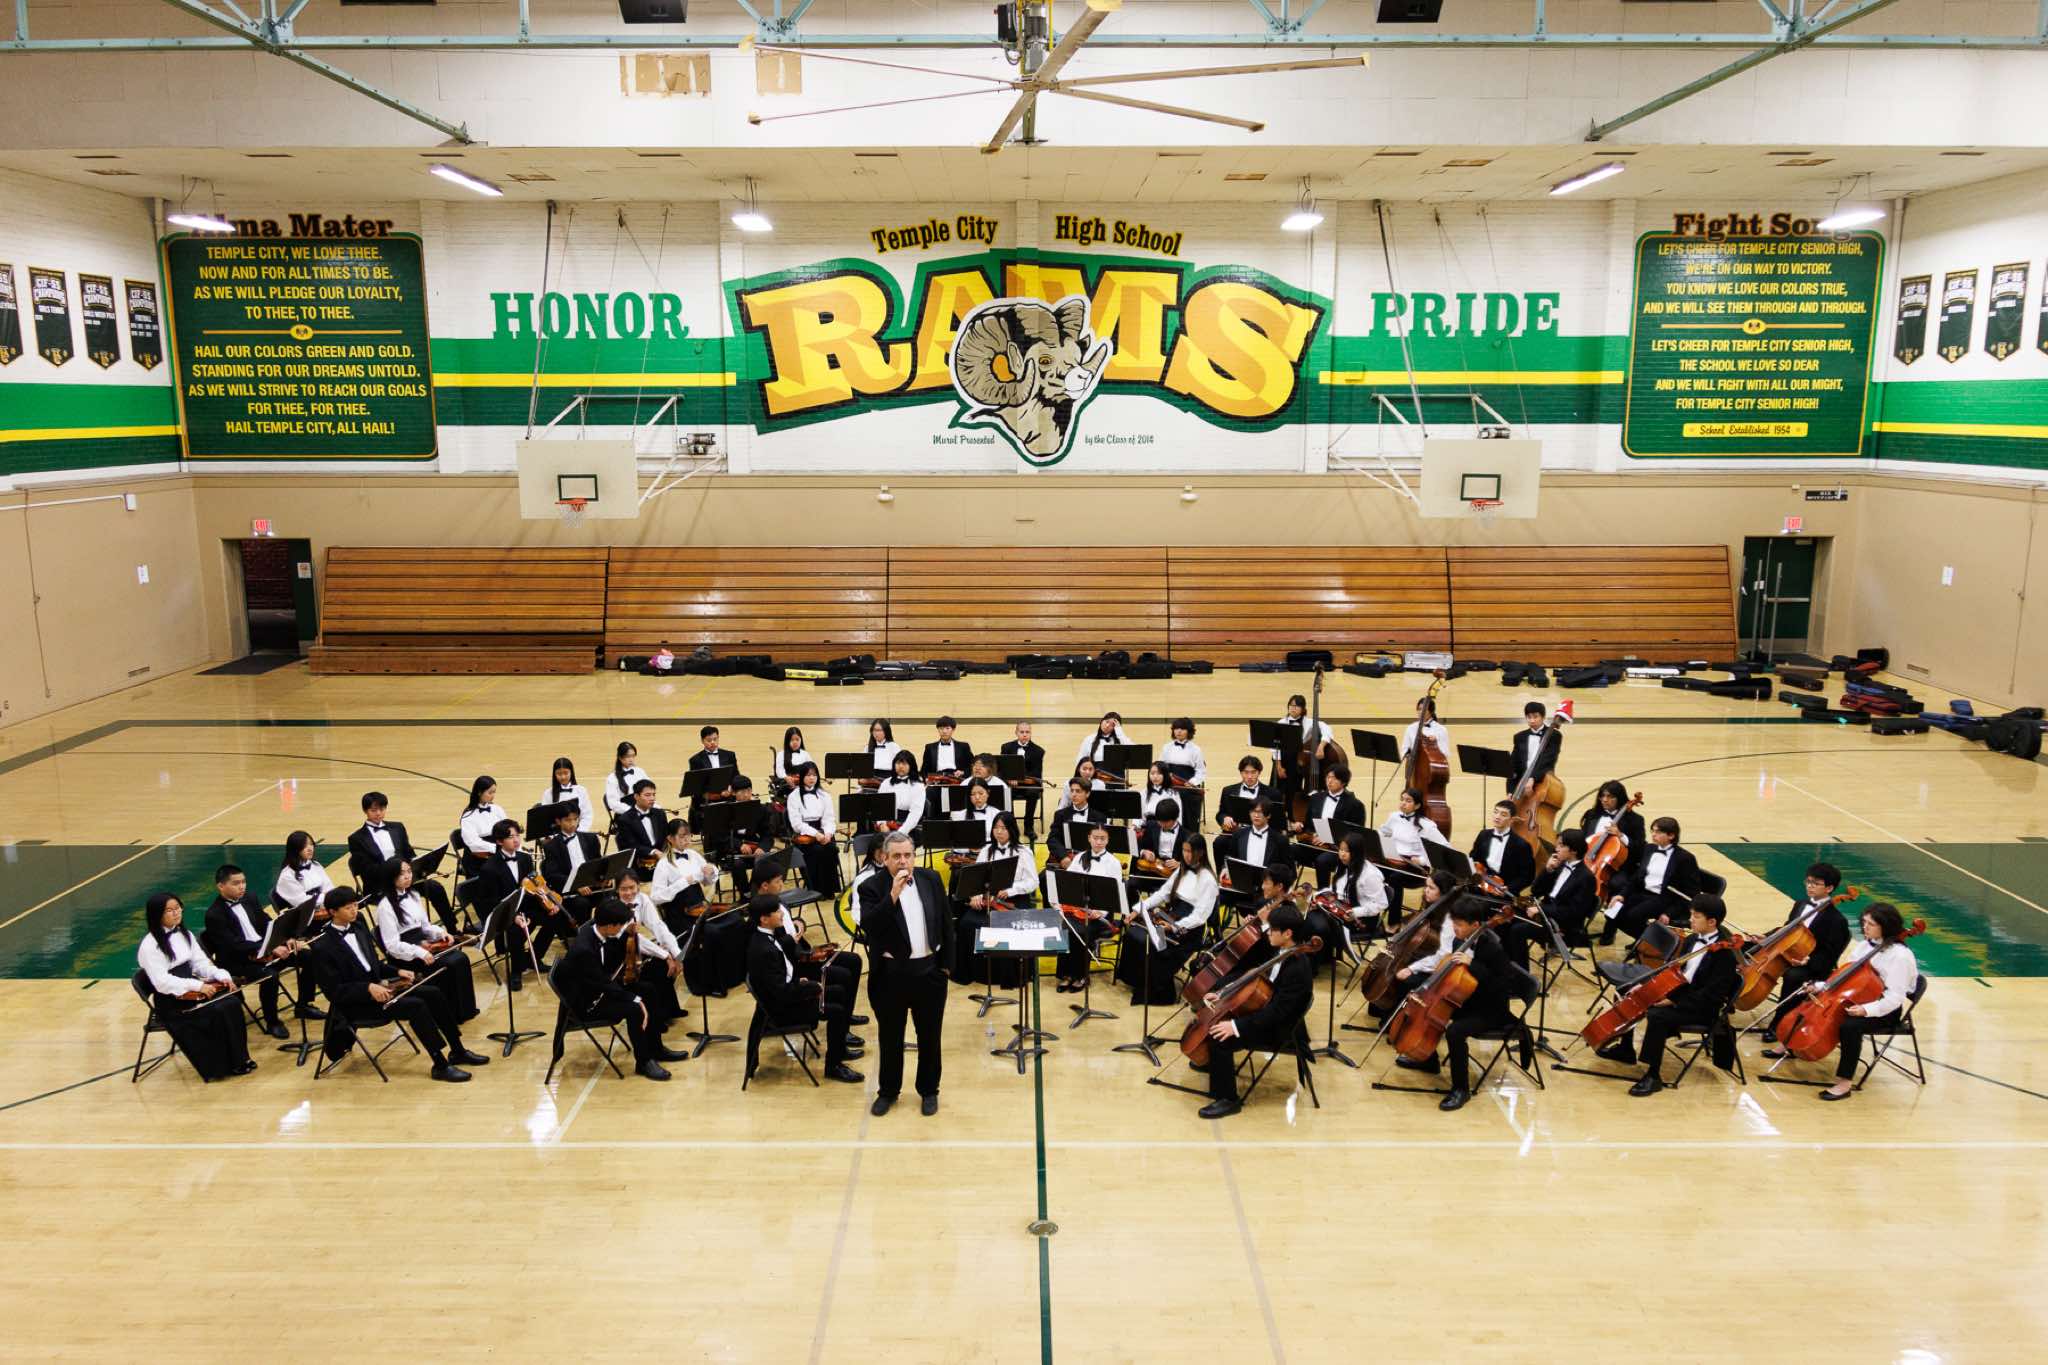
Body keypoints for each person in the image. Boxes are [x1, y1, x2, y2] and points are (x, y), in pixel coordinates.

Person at [308, 887, 488, 1083]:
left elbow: (373, 965)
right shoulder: (322, 947)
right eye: (348, 907)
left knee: (433, 993)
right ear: (333, 912)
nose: (354, 910)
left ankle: (458, 1050)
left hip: (380, 991)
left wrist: (397, 971)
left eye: (355, 905)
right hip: (356, 1004)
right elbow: (334, 992)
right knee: (416, 1006)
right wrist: (367, 988)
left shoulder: (358, 927)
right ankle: (440, 1065)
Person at [1393, 896, 1524, 1112]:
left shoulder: (1493, 949)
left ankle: (1461, 1089)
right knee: (1433, 1011)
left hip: (1491, 1010)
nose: (1454, 928)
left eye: (1459, 924)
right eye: (1453, 922)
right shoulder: (1459, 941)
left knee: (1455, 1032)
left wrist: (1473, 965)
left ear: (1475, 925)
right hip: (1468, 999)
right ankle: (1429, 1059)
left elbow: (1502, 986)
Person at [1782, 903, 1921, 1100]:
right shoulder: (1866, 945)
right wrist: (1820, 986)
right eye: (1864, 922)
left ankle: (1844, 1082)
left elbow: (1895, 998)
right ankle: (1790, 1043)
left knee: (1850, 1026)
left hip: (1884, 1008)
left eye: (1871, 924)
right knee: (1809, 998)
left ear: (1886, 926)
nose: (1865, 927)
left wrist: (1866, 1010)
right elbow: (1844, 977)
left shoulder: (1901, 957)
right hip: (1857, 997)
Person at [858, 831, 953, 1117]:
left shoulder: (930, 879)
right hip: (892, 976)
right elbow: (870, 925)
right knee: (891, 1037)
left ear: (914, 856)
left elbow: (946, 923)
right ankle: (888, 1091)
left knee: (930, 1037)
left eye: (908, 855)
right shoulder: (871, 887)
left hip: (930, 973)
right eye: (896, 856)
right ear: (884, 858)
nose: (903, 861)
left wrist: (946, 966)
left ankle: (929, 1090)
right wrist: (893, 895)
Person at [1608, 895, 1741, 1095]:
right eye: (1691, 915)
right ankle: (1626, 1048)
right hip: (1682, 993)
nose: (1690, 920)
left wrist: (1673, 1001)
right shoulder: (1692, 939)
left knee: (1657, 1015)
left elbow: (1711, 996)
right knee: (1626, 989)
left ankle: (1653, 1076)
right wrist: (1647, 987)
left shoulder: (1726, 954)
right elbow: (1674, 973)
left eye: (1696, 916)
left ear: (1712, 922)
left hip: (1701, 1008)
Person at [1196, 901, 1315, 1120]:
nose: (1268, 932)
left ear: (1288, 933)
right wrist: (1223, 993)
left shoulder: (1298, 968)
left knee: (1219, 1036)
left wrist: (1235, 1026)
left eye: (1273, 929)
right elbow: (1254, 977)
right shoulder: (1282, 952)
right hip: (1266, 1013)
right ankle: (1216, 1066)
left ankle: (1228, 1099)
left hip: (1280, 1029)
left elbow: (1277, 1014)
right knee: (1219, 1024)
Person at [553, 900, 686, 1081]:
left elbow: (606, 971)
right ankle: (644, 1062)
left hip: (598, 987)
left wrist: (630, 936)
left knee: (649, 990)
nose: (622, 928)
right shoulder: (583, 950)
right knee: (634, 1009)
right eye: (621, 925)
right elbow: (602, 984)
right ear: (609, 926)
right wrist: (635, 1000)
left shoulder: (596, 928)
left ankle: (656, 1048)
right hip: (587, 1003)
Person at [746, 892, 864, 1084]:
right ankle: (833, 1066)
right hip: (783, 1010)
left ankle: (840, 1049)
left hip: (788, 994)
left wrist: (799, 981)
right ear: (764, 919)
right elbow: (781, 993)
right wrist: (810, 987)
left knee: (839, 992)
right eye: (777, 911)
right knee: (836, 1010)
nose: (782, 914)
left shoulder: (767, 937)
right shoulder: (762, 950)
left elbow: (781, 977)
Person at [137, 892, 254, 1079]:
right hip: (172, 1001)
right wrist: (197, 986)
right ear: (157, 914)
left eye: (178, 908)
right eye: (169, 910)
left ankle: (240, 1058)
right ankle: (221, 1065)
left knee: (232, 1001)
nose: (176, 913)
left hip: (192, 992)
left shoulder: (186, 934)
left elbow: (200, 964)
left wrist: (220, 975)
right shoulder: (150, 946)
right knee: (219, 1009)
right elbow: (162, 982)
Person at [204, 862, 309, 1039]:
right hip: (239, 961)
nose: (242, 886)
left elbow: (266, 921)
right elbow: (233, 946)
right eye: (236, 883)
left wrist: (285, 938)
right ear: (221, 886)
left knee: (307, 956)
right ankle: (272, 1021)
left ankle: (303, 1005)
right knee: (269, 976)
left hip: (263, 949)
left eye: (243, 882)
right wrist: (269, 948)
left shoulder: (250, 898)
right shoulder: (214, 914)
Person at [371, 859, 479, 1025]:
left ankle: (465, 1010)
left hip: (423, 942)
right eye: (401, 874)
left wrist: (442, 933)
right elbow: (392, 946)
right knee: (450, 963)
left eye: (409, 871)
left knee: (460, 958)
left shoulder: (413, 895)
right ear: (391, 877)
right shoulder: (385, 907)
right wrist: (419, 952)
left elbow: (425, 926)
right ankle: (449, 1013)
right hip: (406, 953)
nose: (407, 876)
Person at [1119, 832, 1216, 1004]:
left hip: (1188, 929)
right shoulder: (1181, 870)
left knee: (1150, 941)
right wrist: (1138, 909)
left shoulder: (1208, 880)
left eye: (1190, 851)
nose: (1186, 855)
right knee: (1134, 933)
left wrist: (1173, 926)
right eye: (1184, 850)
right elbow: (1162, 894)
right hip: (1172, 915)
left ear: (1200, 852)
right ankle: (1137, 980)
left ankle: (1157, 990)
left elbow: (1200, 916)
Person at [1762, 863, 1855, 1042]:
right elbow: (1787, 929)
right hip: (1789, 953)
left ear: (1829, 888)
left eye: (1816, 883)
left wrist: (1808, 961)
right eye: (1808, 881)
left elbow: (1830, 955)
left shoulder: (1837, 920)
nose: (1810, 886)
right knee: (1749, 950)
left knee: (1793, 976)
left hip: (1813, 965)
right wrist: (1765, 937)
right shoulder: (1800, 904)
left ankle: (1779, 1025)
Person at [346, 791, 454, 929]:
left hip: (406, 878)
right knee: (402, 900)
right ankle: (410, 935)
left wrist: (424, 868)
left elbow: (409, 854)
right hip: (381, 884)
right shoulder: (356, 838)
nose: (378, 813)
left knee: (435, 887)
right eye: (373, 810)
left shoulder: (397, 827)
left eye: (382, 809)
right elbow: (367, 870)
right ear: (365, 811)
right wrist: (395, 871)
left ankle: (453, 929)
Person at [957, 811, 1036, 984]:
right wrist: (976, 895)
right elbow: (976, 878)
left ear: (1011, 830)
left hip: (1014, 899)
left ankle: (1010, 976)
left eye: (1003, 828)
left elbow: (1033, 882)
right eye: (996, 828)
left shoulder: (1024, 852)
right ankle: (977, 973)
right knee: (967, 923)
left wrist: (1011, 890)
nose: (999, 832)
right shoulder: (986, 850)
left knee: (1006, 926)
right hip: (990, 899)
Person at [1600, 815, 1702, 944]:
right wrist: (1622, 895)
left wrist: (1669, 913)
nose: (1653, 835)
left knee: (1632, 917)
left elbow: (1690, 893)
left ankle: (1654, 943)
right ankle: (1646, 942)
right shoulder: (1649, 849)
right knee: (1611, 913)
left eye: (1658, 832)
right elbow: (1636, 878)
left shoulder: (1685, 858)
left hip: (1663, 898)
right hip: (1642, 893)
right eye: (1652, 831)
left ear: (1671, 835)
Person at [473, 818, 548, 990]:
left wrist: (545, 901)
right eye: (510, 837)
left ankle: (534, 958)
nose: (516, 840)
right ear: (499, 841)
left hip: (525, 906)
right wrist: (513, 917)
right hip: (505, 912)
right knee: (515, 930)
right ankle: (516, 971)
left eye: (517, 835)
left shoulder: (525, 859)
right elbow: (489, 902)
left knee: (554, 918)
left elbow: (532, 884)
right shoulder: (489, 868)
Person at [1050, 821, 1124, 993]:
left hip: (1099, 914)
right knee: (1066, 927)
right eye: (1095, 838)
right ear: (1089, 838)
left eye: (1102, 838)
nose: (1098, 842)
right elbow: (1067, 883)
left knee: (1081, 931)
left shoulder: (1113, 863)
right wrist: (1060, 903)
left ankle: (1081, 975)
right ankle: (1066, 974)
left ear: (1108, 840)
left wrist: (1101, 912)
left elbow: (1114, 894)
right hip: (1077, 909)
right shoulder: (1080, 857)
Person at [613, 869, 686, 1036]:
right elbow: (636, 939)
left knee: (662, 964)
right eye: (623, 889)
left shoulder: (643, 899)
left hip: (636, 949)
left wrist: (676, 953)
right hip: (622, 956)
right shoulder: (614, 908)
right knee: (654, 971)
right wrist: (665, 955)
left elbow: (658, 926)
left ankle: (670, 1010)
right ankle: (657, 1020)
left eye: (632, 887)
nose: (629, 893)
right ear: (617, 889)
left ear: (638, 886)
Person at [1313, 831, 1389, 960]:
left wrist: (1355, 912)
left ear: (1357, 853)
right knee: (1312, 917)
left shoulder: (1371, 875)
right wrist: (1318, 897)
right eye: (1341, 849)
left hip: (1362, 919)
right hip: (1341, 909)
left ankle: (1320, 958)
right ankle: (1321, 957)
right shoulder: (1343, 866)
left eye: (1347, 851)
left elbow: (1381, 904)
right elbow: (1334, 890)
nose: (1342, 854)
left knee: (1319, 926)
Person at [1296, 764, 1368, 887]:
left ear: (1343, 782)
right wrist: (1300, 827)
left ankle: (1323, 894)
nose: (1329, 781)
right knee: (1290, 850)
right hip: (1314, 844)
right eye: (1328, 777)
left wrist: (1328, 838)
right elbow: (1308, 825)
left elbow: (1355, 835)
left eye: (1334, 778)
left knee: (1322, 861)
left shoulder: (1355, 805)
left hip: (1337, 849)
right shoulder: (1316, 798)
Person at [1377, 786, 1448, 907]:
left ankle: (1394, 917)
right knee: (1373, 870)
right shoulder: (1394, 817)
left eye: (1408, 801)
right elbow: (1383, 833)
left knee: (1395, 878)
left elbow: (1445, 848)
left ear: (1417, 805)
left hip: (1415, 868)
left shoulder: (1427, 825)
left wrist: (1422, 860)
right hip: (1394, 862)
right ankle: (1373, 911)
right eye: (1402, 799)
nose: (1403, 803)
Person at [540, 801, 608, 924]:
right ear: (558, 821)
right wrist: (576, 885)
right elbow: (552, 875)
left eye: (575, 819)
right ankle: (582, 933)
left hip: (592, 885)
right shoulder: (552, 846)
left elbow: (598, 862)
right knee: (582, 904)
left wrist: (604, 877)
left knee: (610, 897)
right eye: (568, 820)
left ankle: (606, 929)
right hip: (570, 890)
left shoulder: (591, 839)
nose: (573, 824)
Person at [650, 817, 720, 929]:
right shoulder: (664, 864)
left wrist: (711, 871)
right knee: (714, 930)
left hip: (699, 908)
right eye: (682, 836)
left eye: (689, 835)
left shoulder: (692, 854)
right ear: (670, 838)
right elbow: (655, 898)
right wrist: (684, 882)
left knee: (733, 919)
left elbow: (707, 882)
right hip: (679, 913)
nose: (687, 839)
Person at [785, 762, 842, 896]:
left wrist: (828, 833)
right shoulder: (793, 796)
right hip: (805, 835)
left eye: (814, 775)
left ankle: (829, 889)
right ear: (802, 777)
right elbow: (797, 824)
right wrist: (816, 834)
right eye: (808, 775)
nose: (812, 778)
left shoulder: (824, 795)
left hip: (823, 832)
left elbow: (829, 818)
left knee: (831, 848)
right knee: (817, 851)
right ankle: (816, 890)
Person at [1469, 799, 1537, 897]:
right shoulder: (1483, 835)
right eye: (1495, 812)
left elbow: (1527, 876)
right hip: (1481, 884)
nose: (1497, 817)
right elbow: (1473, 857)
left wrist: (1509, 888)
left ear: (1512, 819)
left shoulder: (1522, 845)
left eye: (1503, 815)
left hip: (1503, 892)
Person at [1218, 799, 1284, 886]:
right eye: (1253, 811)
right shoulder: (1239, 834)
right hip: (1241, 884)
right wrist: (1225, 868)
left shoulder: (1280, 840)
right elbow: (1230, 857)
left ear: (1268, 815)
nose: (1256, 815)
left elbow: (1290, 870)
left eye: (1260, 812)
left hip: (1267, 888)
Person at [1045, 778, 1106, 870]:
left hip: (1089, 861)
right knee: (1043, 877)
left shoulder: (1099, 817)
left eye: (1078, 791)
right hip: (1066, 858)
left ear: (1087, 794)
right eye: (1072, 791)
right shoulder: (1060, 814)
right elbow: (1053, 839)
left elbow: (1101, 842)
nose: (1073, 794)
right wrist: (1063, 857)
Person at [684, 726, 739, 827]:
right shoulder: (695, 760)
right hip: (708, 801)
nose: (713, 742)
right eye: (709, 740)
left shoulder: (729, 755)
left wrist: (730, 789)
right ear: (702, 741)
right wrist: (708, 794)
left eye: (715, 739)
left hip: (728, 798)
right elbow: (695, 785)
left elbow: (736, 777)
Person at [274, 830, 336, 919]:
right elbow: (302, 902)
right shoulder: (287, 876)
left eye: (311, 844)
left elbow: (328, 887)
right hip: (304, 917)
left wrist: (331, 899)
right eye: (304, 846)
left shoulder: (315, 865)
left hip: (323, 908)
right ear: (295, 849)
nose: (310, 848)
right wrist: (326, 898)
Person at [1159, 717, 1207, 828]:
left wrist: (1192, 782)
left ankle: (1188, 830)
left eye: (1182, 729)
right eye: (1176, 728)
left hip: (1187, 784)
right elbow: (1160, 766)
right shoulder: (1166, 747)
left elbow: (1201, 771)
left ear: (1189, 731)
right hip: (1170, 782)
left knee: (1187, 797)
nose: (1179, 731)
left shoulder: (1196, 749)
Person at [1510, 702, 1563, 802]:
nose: (1532, 720)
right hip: (1521, 785)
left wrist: (1533, 778)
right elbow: (1513, 765)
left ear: (1543, 717)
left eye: (1535, 717)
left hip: (1542, 781)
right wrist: (1510, 790)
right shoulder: (1519, 737)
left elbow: (1548, 761)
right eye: (1529, 717)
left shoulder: (1554, 735)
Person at [1001, 721, 1046, 834]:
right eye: (1022, 732)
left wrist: (1018, 780)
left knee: (1033, 793)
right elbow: (1002, 768)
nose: (1025, 734)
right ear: (1016, 733)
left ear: (1031, 733)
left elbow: (1036, 773)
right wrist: (1010, 779)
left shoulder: (1038, 751)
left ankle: (1028, 826)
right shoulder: (1006, 747)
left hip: (1028, 784)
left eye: (1027, 732)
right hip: (1011, 783)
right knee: (1005, 792)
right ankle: (1011, 825)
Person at [614, 779, 668, 873]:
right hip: (639, 865)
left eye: (653, 794)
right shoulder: (625, 819)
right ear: (636, 796)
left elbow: (666, 837)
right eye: (647, 795)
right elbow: (631, 846)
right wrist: (654, 852)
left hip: (661, 862)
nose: (652, 798)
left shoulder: (660, 814)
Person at [458, 776, 510, 867]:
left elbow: (508, 830)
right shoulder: (468, 816)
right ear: (479, 792)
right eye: (490, 793)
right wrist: (497, 848)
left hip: (498, 851)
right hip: (478, 857)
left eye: (494, 792)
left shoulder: (497, 809)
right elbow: (473, 843)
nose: (493, 796)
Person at [1216, 756, 1275, 835]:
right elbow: (1221, 814)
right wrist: (1225, 818)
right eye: (1246, 772)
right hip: (1234, 833)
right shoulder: (1228, 791)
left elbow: (1276, 820)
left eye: (1253, 772)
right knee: (1219, 841)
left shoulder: (1272, 793)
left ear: (1259, 772)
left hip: (1261, 834)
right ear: (1241, 773)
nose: (1249, 776)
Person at [875, 749, 926, 836]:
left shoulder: (918, 786)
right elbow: (879, 807)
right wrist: (882, 824)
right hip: (888, 824)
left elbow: (915, 814)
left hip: (909, 827)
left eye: (904, 764)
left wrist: (901, 832)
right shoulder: (886, 783)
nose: (901, 766)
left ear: (911, 766)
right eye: (898, 763)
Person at [541, 756, 598, 832]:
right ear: (554, 774)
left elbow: (587, 815)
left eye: (566, 773)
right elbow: (545, 819)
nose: (563, 777)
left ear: (571, 772)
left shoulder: (581, 790)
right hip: (556, 834)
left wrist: (579, 833)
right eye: (559, 774)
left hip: (578, 831)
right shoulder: (548, 793)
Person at [1132, 798, 1184, 877]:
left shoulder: (1186, 835)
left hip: (1173, 873)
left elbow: (1195, 863)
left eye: (1166, 822)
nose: (1162, 825)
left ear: (1175, 819)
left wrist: (1180, 864)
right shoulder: (1151, 826)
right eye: (1160, 821)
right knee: (1132, 882)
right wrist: (1144, 852)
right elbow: (1137, 847)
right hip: (1151, 868)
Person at [1401, 695, 1452, 771]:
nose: (1420, 712)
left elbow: (1445, 753)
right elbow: (1404, 750)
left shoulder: (1441, 730)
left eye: (1424, 709)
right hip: (1415, 769)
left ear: (1431, 711)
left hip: (1434, 770)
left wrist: (1435, 746)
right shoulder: (1410, 728)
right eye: (1419, 709)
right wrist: (1410, 756)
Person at [604, 742, 653, 817]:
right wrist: (633, 811)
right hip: (626, 814)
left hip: (644, 810)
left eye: (633, 756)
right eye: (628, 756)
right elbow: (613, 803)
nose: (631, 759)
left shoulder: (640, 771)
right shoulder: (612, 778)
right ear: (620, 757)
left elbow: (649, 792)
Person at [922, 716, 974, 783]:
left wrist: (963, 772)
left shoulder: (963, 746)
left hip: (957, 779)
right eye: (941, 728)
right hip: (936, 780)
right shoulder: (930, 747)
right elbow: (924, 769)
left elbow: (972, 765)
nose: (944, 731)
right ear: (938, 729)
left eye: (947, 728)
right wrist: (926, 779)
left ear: (953, 729)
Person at [865, 719, 907, 785]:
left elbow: (901, 766)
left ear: (886, 731)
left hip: (888, 779)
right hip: (871, 780)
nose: (876, 733)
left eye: (878, 730)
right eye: (874, 730)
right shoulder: (867, 748)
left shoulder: (894, 746)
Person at [773, 726, 814, 792]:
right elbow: (779, 770)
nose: (795, 742)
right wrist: (786, 778)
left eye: (797, 739)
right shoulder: (781, 754)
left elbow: (812, 768)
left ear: (801, 740)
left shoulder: (805, 754)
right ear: (787, 741)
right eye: (792, 740)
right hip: (787, 785)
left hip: (803, 785)